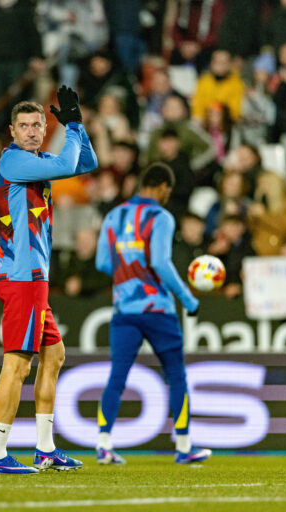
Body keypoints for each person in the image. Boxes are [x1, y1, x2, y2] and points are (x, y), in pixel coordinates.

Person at [0, 87, 97, 474]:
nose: (33, 131)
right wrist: (69, 129)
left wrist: (76, 126)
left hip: (35, 276)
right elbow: (69, 167)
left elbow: (87, 162)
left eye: (38, 124)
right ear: (11, 132)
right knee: (16, 364)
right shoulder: (15, 162)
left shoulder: (36, 159)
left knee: (55, 354)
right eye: (25, 125)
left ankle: (45, 448)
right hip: (22, 276)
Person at [94, 162, 211, 465]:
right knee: (176, 376)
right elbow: (160, 262)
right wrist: (187, 298)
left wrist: (127, 275)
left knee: (117, 377)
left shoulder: (113, 215)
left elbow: (103, 263)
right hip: (158, 308)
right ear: (162, 188)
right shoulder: (160, 216)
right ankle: (184, 447)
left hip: (124, 308)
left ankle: (104, 443)